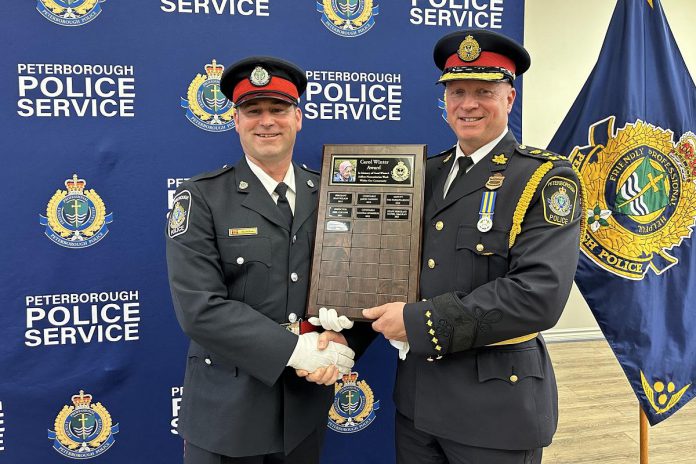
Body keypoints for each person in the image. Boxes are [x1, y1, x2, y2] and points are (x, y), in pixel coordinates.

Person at [361, 30, 583, 463]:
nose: (468, 104)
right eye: (457, 91)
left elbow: (538, 296)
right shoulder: (422, 174)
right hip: (417, 405)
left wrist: (420, 321)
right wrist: (340, 327)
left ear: (510, 99)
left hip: (494, 410)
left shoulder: (544, 179)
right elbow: (389, 265)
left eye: (484, 91)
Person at [166, 56, 359, 464]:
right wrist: (295, 350)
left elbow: (354, 284)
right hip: (227, 413)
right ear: (236, 121)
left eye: (278, 109)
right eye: (253, 111)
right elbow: (199, 309)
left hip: (304, 406)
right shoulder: (201, 198)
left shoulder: (330, 194)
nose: (266, 121)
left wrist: (342, 341)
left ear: (299, 117)